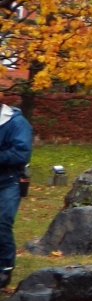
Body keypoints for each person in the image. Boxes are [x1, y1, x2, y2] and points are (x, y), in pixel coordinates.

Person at [0, 103, 33, 289]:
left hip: (8, 181)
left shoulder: (17, 122)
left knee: (2, 222)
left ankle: (5, 268)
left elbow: (22, 153)